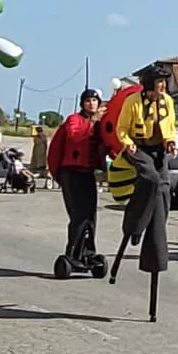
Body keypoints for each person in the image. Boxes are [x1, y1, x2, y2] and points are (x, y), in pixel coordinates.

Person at [113, 63, 178, 279]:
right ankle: (134, 226)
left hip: (158, 151)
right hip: (138, 149)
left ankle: (155, 241)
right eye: (160, 82)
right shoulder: (132, 102)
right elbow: (122, 128)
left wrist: (170, 143)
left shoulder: (167, 101)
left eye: (164, 82)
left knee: (164, 192)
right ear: (150, 83)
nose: (163, 86)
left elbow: (170, 126)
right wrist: (127, 143)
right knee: (150, 179)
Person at [47, 89, 106, 269]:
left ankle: (88, 252)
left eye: (95, 101)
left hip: (87, 172)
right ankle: (73, 253)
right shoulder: (74, 119)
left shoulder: (98, 124)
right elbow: (74, 136)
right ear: (82, 103)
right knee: (79, 215)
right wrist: (93, 122)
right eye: (88, 101)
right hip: (71, 172)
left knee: (90, 215)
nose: (91, 104)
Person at [30, 125, 50, 189]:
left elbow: (43, 141)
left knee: (40, 158)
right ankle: (38, 166)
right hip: (38, 148)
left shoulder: (42, 136)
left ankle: (40, 166)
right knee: (38, 158)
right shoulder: (39, 136)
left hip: (41, 148)